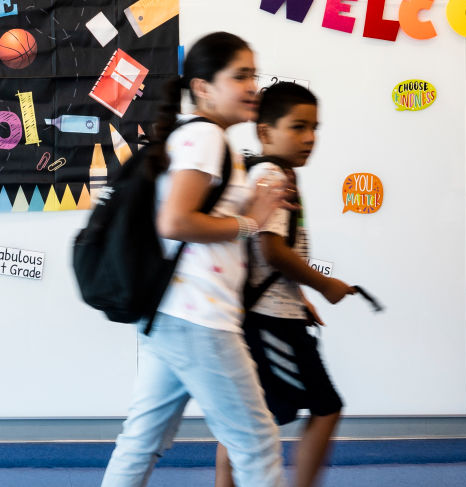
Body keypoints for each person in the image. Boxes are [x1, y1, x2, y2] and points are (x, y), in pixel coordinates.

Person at [101, 32, 288, 487]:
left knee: (141, 442)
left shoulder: (200, 138)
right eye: (240, 76)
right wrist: (250, 221)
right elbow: (176, 222)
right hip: (201, 317)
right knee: (257, 443)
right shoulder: (205, 137)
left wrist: (247, 210)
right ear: (203, 87)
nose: (252, 87)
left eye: (254, 75)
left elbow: (196, 221)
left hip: (171, 316)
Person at [215, 82, 357, 487]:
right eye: (298, 127)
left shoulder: (271, 171)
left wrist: (299, 297)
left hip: (272, 313)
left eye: (314, 128)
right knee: (325, 408)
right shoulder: (273, 176)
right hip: (271, 322)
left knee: (249, 417)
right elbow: (272, 250)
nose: (310, 138)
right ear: (264, 131)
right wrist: (324, 286)